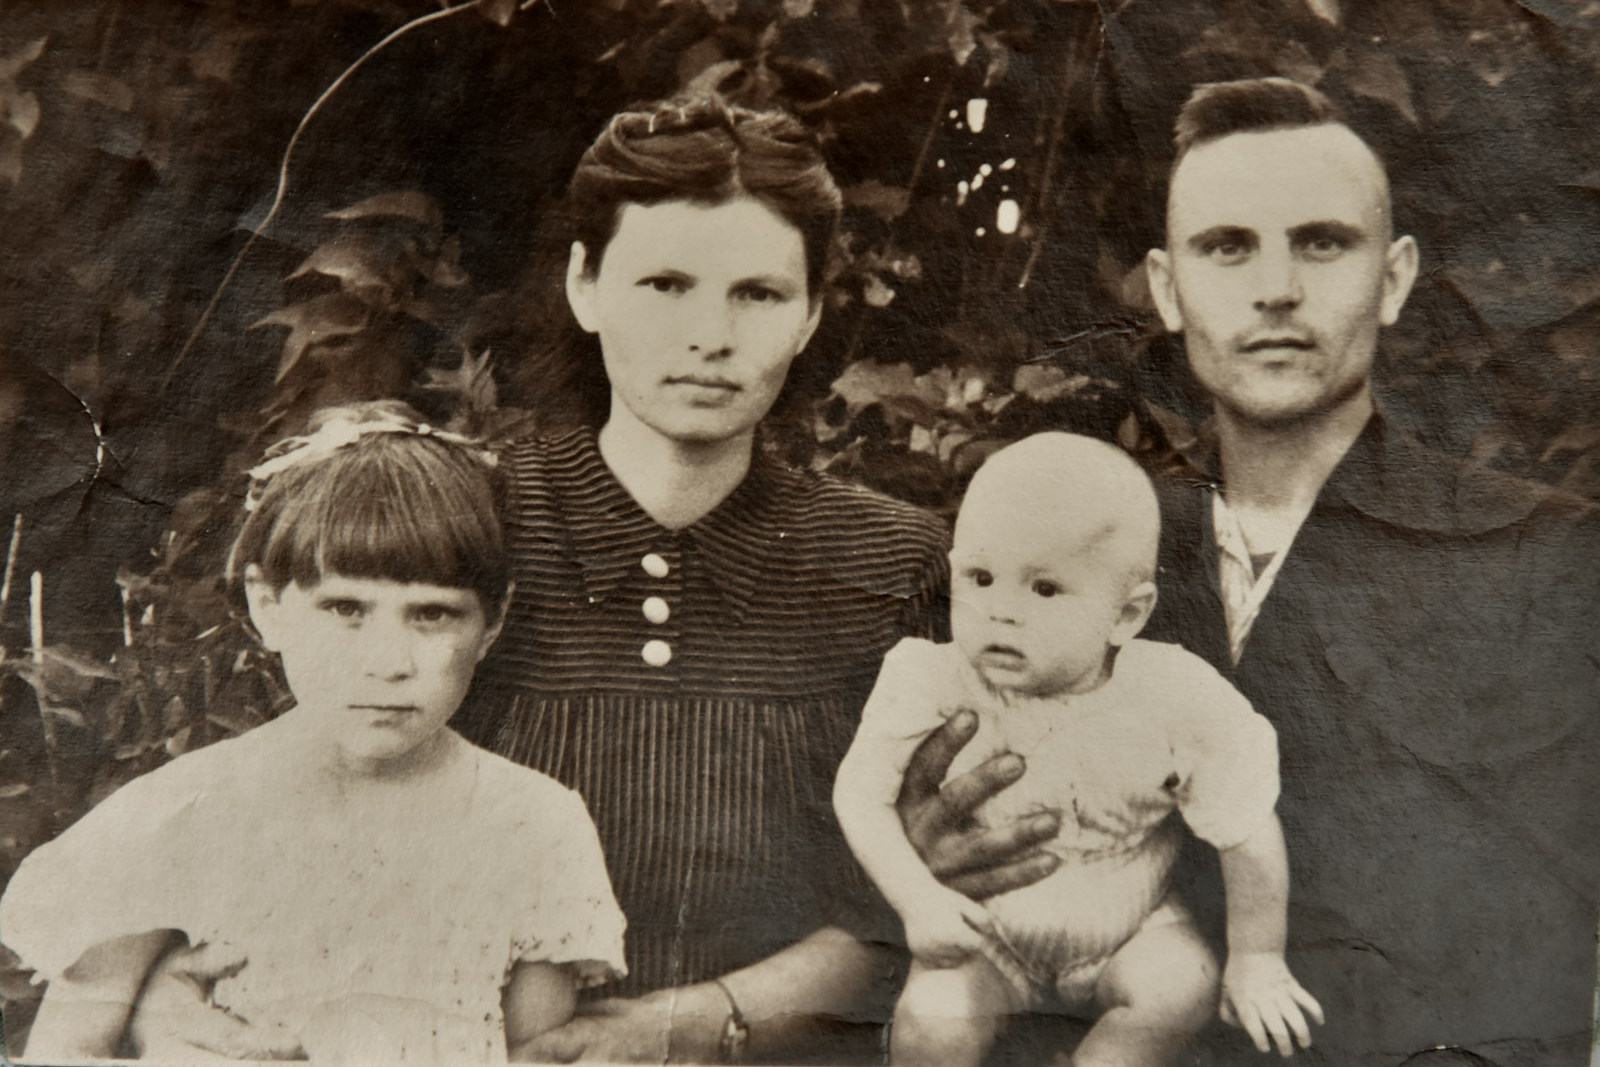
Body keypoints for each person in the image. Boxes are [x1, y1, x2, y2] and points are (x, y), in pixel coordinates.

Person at [447, 94, 969, 1064]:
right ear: (585, 285)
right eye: (665, 284)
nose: (710, 335)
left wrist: (695, 1019)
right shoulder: (463, 527)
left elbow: (938, 886)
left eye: (758, 294)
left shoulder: (895, 564)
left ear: (811, 313)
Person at [1135, 77, 1600, 1065]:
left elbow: (1533, 963)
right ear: (1167, 289)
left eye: (1321, 242)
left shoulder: (1544, 557)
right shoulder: (1094, 545)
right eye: (1227, 247)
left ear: (1392, 279)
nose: (1275, 289)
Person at [0, 402, 627, 1064]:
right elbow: (64, 1053)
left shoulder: (535, 824)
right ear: (268, 605)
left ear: (491, 623)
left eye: (433, 614)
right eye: (345, 607)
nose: (388, 660)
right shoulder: (178, 815)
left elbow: (537, 1056)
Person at [835, 433, 1321, 1067]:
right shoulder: (930, 677)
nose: (1001, 611)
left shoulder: (1174, 695)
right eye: (981, 577)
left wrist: (1257, 959)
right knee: (932, 1023)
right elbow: (861, 794)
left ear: (1126, 615)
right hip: (985, 930)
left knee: (1181, 986)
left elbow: (1246, 828)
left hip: (1132, 925)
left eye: (1044, 589)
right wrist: (918, 900)